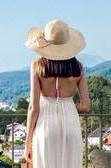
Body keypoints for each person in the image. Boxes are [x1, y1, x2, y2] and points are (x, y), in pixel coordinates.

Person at [24, 20, 90, 168]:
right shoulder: (78, 67)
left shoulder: (37, 66)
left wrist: (28, 141)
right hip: (70, 124)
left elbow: (33, 107)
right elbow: (85, 106)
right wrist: (67, 108)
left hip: (45, 125)